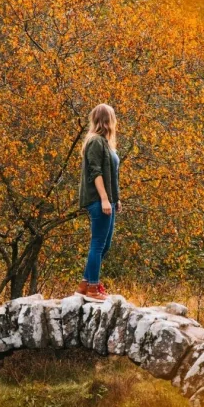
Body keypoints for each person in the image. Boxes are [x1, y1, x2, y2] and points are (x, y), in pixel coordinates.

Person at [76, 103, 122, 301]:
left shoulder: (105, 142)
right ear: (106, 119)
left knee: (105, 245)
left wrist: (115, 199)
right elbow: (96, 172)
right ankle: (93, 289)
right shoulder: (95, 142)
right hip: (98, 199)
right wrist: (104, 198)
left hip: (108, 200)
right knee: (97, 244)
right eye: (112, 117)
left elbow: (112, 174)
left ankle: (85, 284)